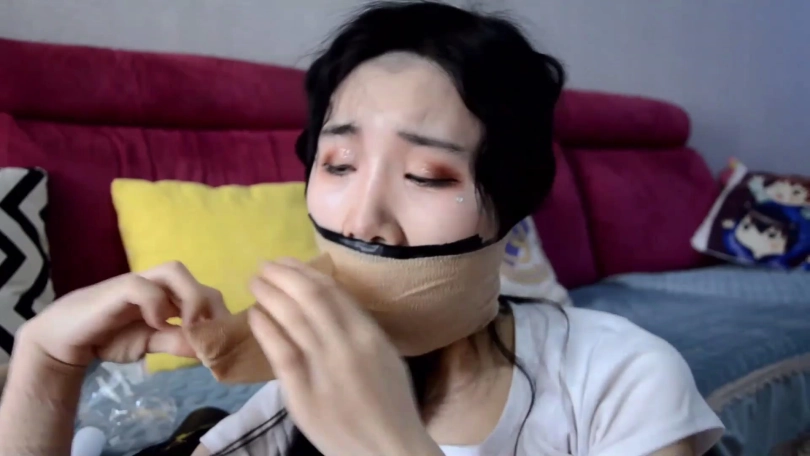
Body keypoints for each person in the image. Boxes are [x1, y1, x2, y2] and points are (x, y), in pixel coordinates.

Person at [0, 2, 725, 456]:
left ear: (509, 207)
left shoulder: (618, 381)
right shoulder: (299, 394)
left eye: (428, 176)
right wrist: (45, 366)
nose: (362, 219)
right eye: (338, 164)